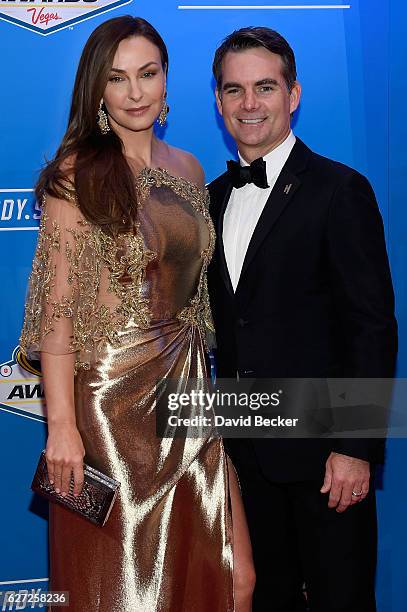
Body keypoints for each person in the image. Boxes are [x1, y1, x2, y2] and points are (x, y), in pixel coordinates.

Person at [20, 16, 255, 612]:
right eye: (117, 78)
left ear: (166, 79)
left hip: (190, 390)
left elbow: (197, 297)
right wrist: (62, 429)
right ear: (97, 90)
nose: (135, 93)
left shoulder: (192, 169)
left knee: (229, 576)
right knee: (126, 590)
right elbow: (57, 314)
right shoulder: (76, 176)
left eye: (147, 74)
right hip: (109, 406)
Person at [207, 26, 397, 612]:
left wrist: (355, 447)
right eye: (234, 90)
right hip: (243, 457)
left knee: (341, 599)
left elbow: (372, 327)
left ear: (293, 95)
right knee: (268, 600)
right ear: (218, 102)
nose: (249, 104)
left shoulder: (341, 190)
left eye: (265, 87)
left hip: (325, 459)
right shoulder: (208, 199)